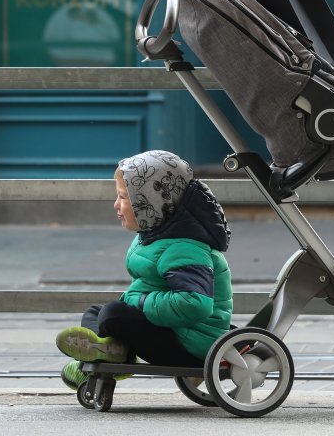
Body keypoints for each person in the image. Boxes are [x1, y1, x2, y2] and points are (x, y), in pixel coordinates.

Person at [55, 150, 232, 390]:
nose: (116, 205)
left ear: (150, 203)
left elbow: (195, 303)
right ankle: (109, 351)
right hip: (171, 328)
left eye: (123, 198)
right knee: (97, 312)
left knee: (113, 315)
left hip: (191, 344)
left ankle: (112, 353)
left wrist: (139, 302)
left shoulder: (184, 248)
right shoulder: (157, 234)